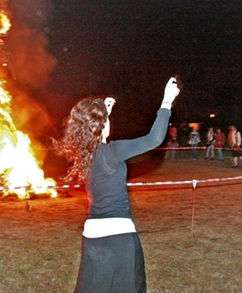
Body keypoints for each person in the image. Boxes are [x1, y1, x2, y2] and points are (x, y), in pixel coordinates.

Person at [53, 78, 180, 292]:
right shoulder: (111, 152)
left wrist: (104, 113)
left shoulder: (85, 156)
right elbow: (154, 139)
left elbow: (95, 137)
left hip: (92, 240)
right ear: (102, 124)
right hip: (119, 240)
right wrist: (166, 102)